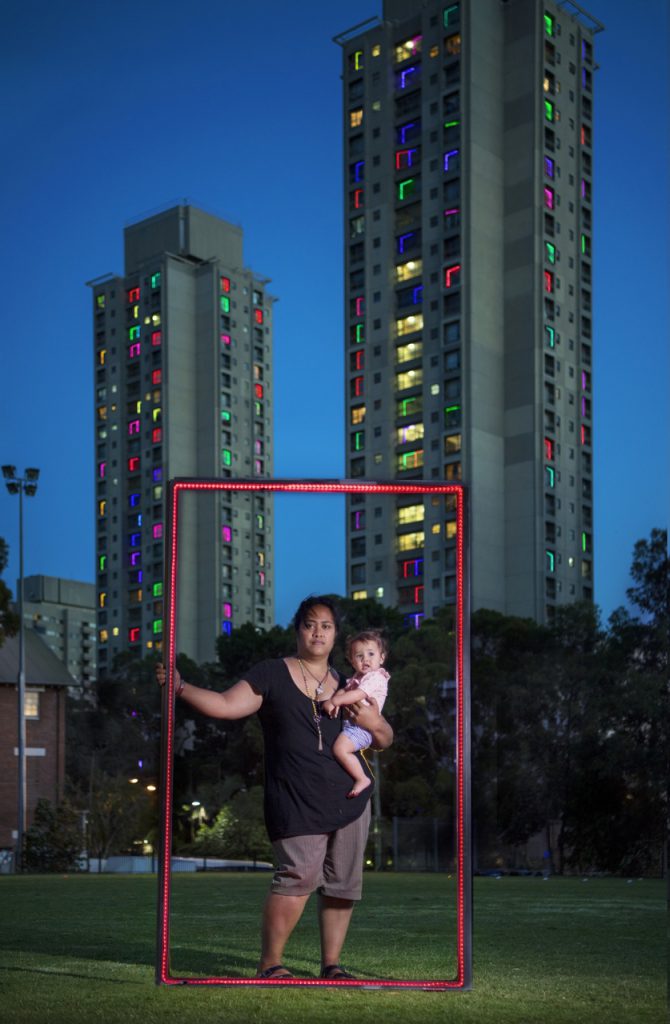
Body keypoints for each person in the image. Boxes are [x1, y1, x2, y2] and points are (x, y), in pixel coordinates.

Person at [156, 595, 393, 981]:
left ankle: (332, 965)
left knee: (342, 884)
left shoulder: (352, 684)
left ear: (336, 636)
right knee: (298, 874)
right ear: (297, 629)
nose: (318, 632)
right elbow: (225, 704)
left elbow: (382, 738)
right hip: (294, 796)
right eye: (310, 624)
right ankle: (271, 963)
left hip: (350, 796)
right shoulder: (271, 673)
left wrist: (376, 722)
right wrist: (181, 687)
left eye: (327, 626)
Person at [321, 630, 390, 799]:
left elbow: (358, 694)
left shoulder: (376, 677)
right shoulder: (358, 677)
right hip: (353, 726)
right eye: (359, 656)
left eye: (371, 654)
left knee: (340, 749)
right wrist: (336, 698)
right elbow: (346, 689)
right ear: (352, 661)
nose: (365, 659)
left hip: (362, 728)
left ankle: (361, 778)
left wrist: (335, 702)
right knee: (341, 748)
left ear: (381, 658)